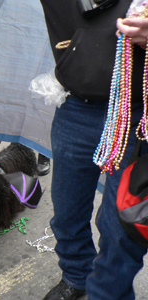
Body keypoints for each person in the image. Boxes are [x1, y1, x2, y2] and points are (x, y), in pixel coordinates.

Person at [39, 1, 148, 300]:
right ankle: (76, 276)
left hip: (134, 114)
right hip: (75, 110)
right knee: (66, 212)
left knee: (119, 226)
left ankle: (107, 293)